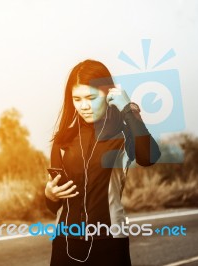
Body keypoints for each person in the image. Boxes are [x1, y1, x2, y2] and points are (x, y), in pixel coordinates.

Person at [44, 59, 161, 266]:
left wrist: (128, 109)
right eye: (77, 99)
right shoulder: (63, 140)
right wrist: (49, 195)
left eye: (91, 97)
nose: (84, 106)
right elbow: (55, 206)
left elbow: (149, 157)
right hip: (65, 242)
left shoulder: (123, 133)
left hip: (109, 243)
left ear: (108, 94)